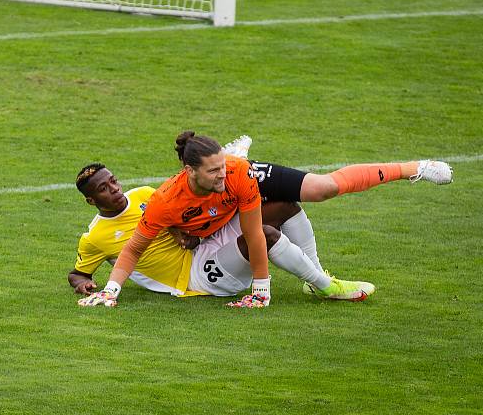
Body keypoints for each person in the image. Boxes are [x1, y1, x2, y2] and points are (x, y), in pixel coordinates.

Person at [75, 131, 375, 309]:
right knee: (263, 234)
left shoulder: (143, 194)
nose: (114, 189)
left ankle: (315, 275)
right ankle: (327, 288)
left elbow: (176, 214)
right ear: (91, 201)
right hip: (194, 276)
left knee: (284, 204)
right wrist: (97, 286)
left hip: (204, 244)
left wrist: (185, 231)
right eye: (104, 189)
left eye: (112, 181)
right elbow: (83, 271)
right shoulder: (94, 238)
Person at [221, 134, 452, 275]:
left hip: (239, 177)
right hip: (221, 194)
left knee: (323, 187)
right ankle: (233, 159)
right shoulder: (185, 193)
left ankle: (414, 168)